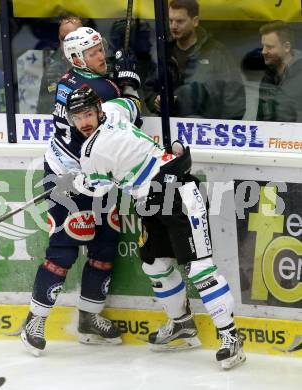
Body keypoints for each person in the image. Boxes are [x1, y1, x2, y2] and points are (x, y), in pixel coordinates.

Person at [63, 86, 246, 370]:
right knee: (154, 265)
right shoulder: (113, 110)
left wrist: (77, 182)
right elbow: (132, 105)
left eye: (88, 114)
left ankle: (231, 338)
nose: (84, 122)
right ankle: (182, 324)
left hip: (177, 194)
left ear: (98, 110)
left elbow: (98, 189)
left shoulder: (91, 152)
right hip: (150, 201)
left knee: (200, 269)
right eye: (77, 117)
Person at [20, 26, 142, 356]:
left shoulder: (68, 80)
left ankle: (89, 318)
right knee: (64, 248)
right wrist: (130, 83)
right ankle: (34, 320)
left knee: (105, 243)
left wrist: (118, 82)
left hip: (93, 176)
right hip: (69, 180)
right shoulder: (100, 86)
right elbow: (130, 119)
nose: (101, 56)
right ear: (77, 58)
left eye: (101, 49)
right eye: (93, 53)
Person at [143, 0, 246, 120]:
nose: (173, 26)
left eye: (180, 21)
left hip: (207, 129)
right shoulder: (163, 52)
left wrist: (223, 129)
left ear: (195, 21)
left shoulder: (217, 53)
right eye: (170, 21)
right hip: (169, 129)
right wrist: (155, 101)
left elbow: (234, 98)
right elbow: (149, 88)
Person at [257, 20, 302, 122]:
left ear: (286, 47)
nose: (263, 51)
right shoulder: (268, 77)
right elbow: (261, 117)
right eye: (263, 46)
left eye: (269, 47)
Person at [36, 15, 83, 114]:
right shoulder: (52, 72)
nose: (67, 44)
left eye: (72, 38)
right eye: (63, 39)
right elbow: (42, 112)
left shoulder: (98, 68)